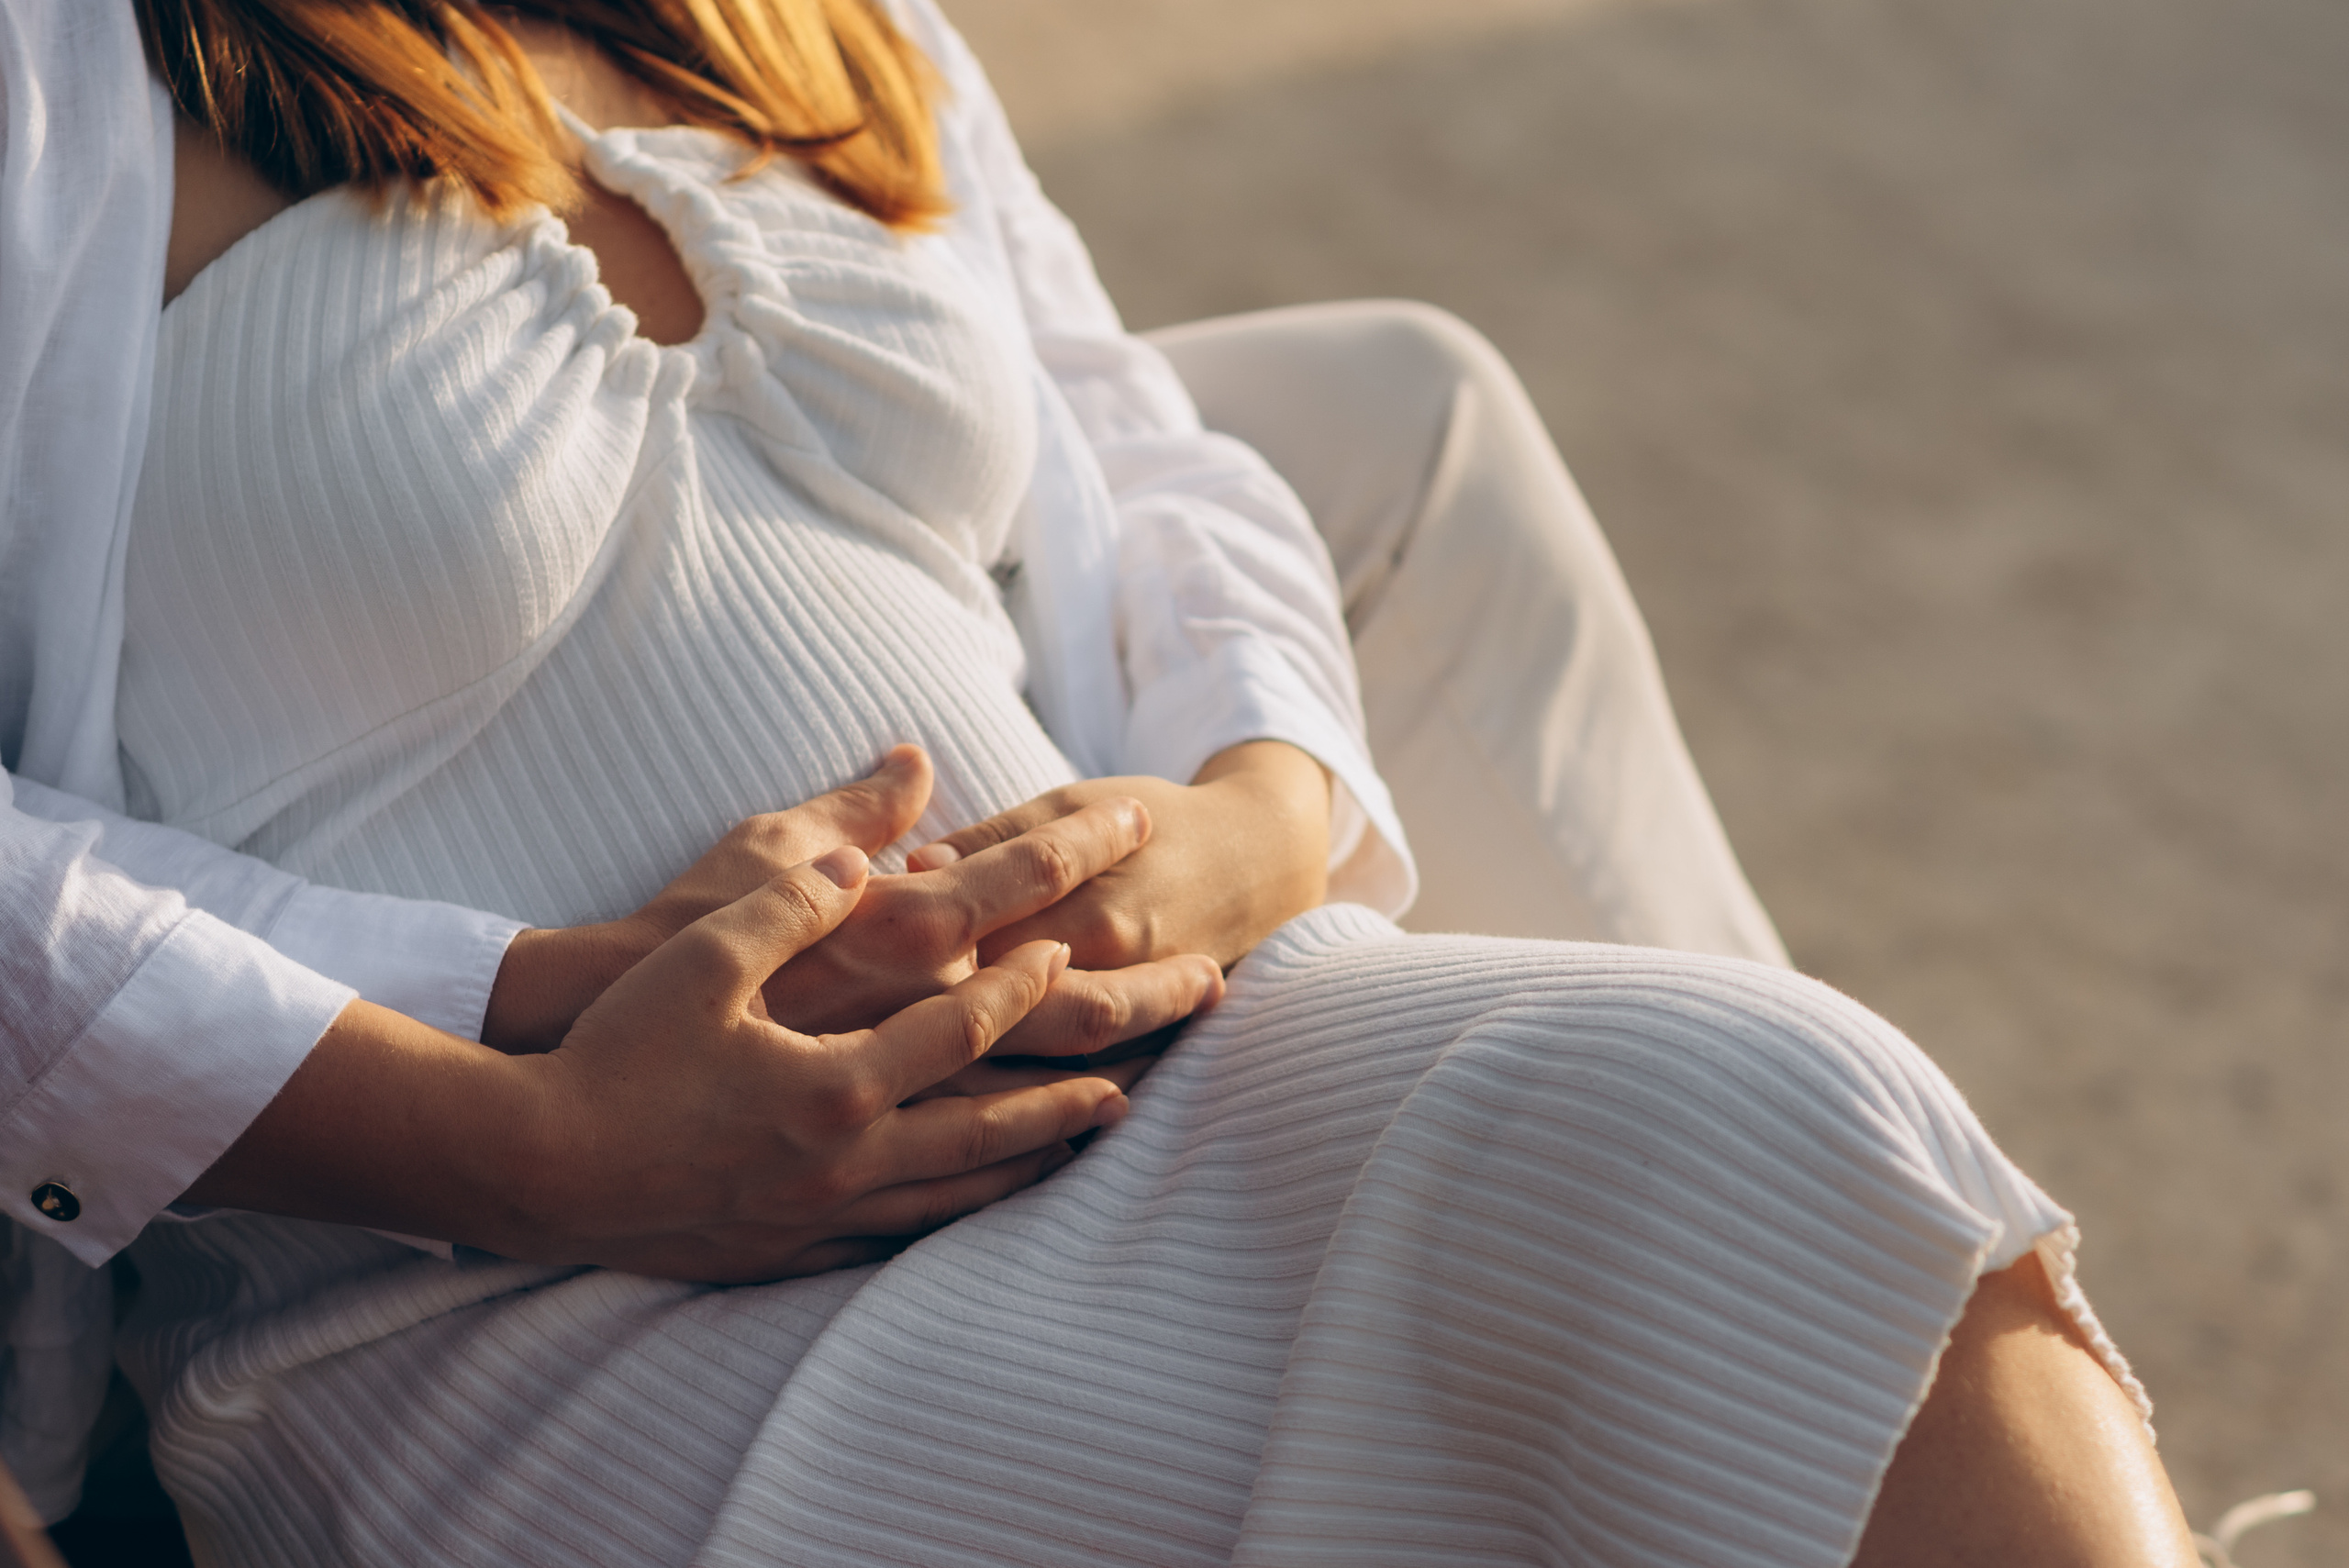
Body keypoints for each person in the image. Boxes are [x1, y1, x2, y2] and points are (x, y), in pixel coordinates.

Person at [0, 1, 2199, 1563]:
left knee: (1793, 1127)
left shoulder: (817, 19)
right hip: (496, 1278)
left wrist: (1254, 811)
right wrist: (528, 1082)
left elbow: (1129, 437)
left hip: (1152, 1093)